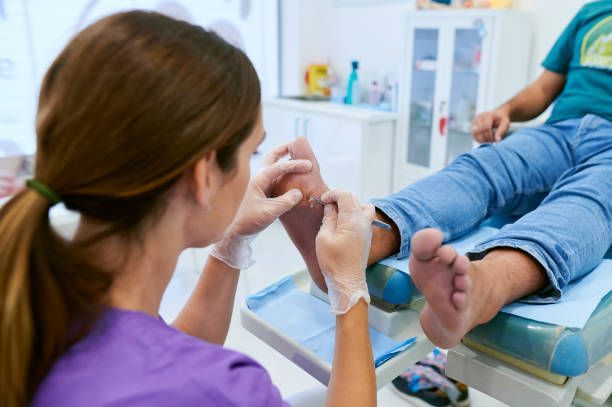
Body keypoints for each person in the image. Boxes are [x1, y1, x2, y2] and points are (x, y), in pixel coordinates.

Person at [0, 11, 378, 406]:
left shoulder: (37, 294)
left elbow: (162, 351)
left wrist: (232, 243)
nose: (253, 166)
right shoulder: (223, 390)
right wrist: (350, 293)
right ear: (203, 176)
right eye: (252, 151)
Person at [272, 1, 611, 349]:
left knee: (589, 200)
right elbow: (543, 89)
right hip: (561, 129)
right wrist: (506, 110)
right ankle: (358, 240)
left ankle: (487, 285)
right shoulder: (593, 12)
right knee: (483, 166)